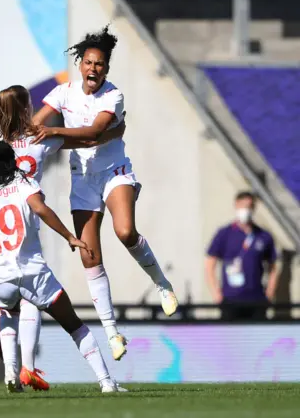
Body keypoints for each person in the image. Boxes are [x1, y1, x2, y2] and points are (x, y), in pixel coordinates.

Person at [0, 85, 126, 390]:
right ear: (25, 109)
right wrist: (114, 132)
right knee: (31, 304)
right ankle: (25, 368)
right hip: (23, 233)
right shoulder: (39, 141)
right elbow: (88, 138)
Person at [32, 26, 178, 361]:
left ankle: (161, 284)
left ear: (106, 70)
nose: (94, 68)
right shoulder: (62, 93)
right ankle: (113, 333)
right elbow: (34, 125)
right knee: (88, 255)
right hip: (83, 179)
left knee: (125, 231)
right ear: (80, 65)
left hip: (114, 172)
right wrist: (10, 136)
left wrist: (52, 133)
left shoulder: (114, 96)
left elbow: (95, 134)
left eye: (100, 64)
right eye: (89, 62)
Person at [205, 191, 278, 320]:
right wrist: (217, 294)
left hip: (256, 299)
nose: (246, 210)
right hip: (230, 298)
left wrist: (269, 294)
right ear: (236, 206)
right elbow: (210, 264)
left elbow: (273, 267)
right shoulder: (225, 234)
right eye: (243, 206)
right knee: (232, 337)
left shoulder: (263, 236)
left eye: (249, 206)